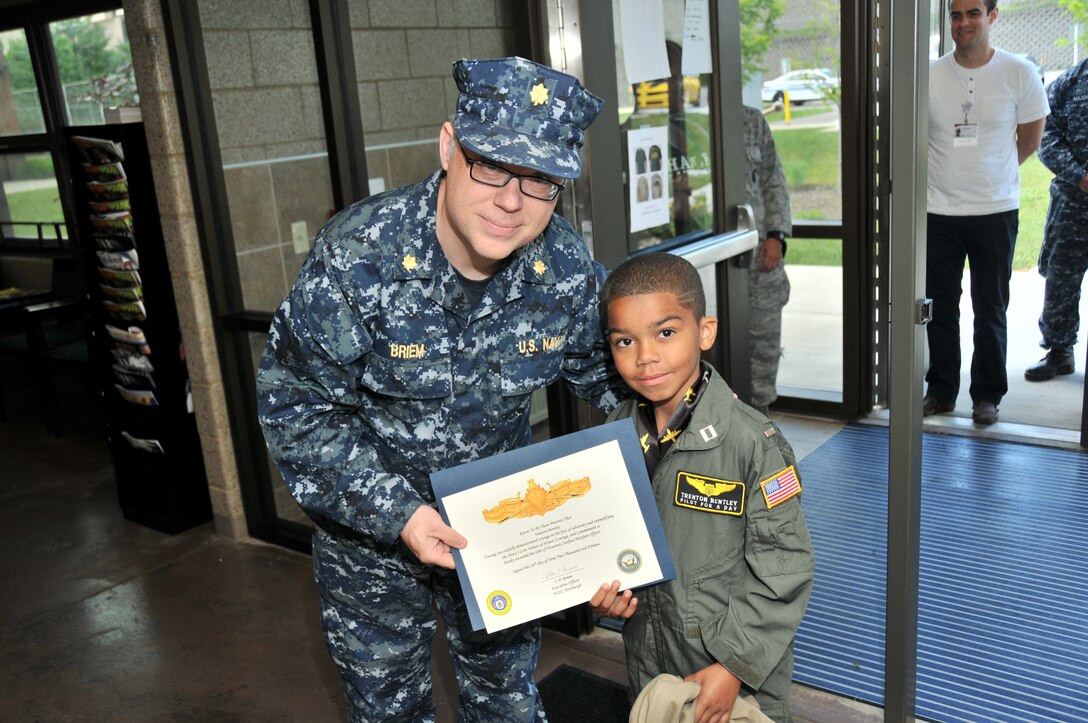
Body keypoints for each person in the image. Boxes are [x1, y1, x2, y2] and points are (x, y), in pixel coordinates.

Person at [256, 56, 625, 722]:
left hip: (501, 526)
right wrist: (398, 513)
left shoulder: (562, 268)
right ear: (450, 147)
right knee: (390, 711)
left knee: (508, 702)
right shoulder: (357, 256)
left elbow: (620, 374)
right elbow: (296, 411)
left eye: (540, 178)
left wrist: (692, 423)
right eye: (491, 164)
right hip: (373, 544)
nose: (511, 200)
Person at [589, 252, 815, 722]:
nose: (645, 356)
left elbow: (785, 570)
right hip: (651, 665)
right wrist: (609, 589)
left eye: (665, 333)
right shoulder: (615, 433)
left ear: (705, 331)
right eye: (624, 341)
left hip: (732, 674)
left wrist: (733, 665)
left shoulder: (752, 443)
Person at [924, 0, 1049, 425]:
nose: (964, 23)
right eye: (956, 15)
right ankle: (941, 391)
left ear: (992, 17)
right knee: (940, 307)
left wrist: (992, 173)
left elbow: (1031, 139)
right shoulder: (930, 75)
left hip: (995, 211)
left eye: (973, 13)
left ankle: (987, 396)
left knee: (990, 307)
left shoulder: (1018, 72)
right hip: (938, 211)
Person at [1024, 58, 1088, 382]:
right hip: (1074, 203)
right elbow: (1045, 136)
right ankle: (1059, 351)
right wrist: (1080, 176)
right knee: (1061, 279)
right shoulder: (1071, 81)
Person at [743, 105, 793, 416]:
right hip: (713, 256)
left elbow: (773, 179)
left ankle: (761, 420)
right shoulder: (689, 121)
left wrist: (777, 234)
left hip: (760, 255)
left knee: (764, 346)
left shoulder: (751, 120)